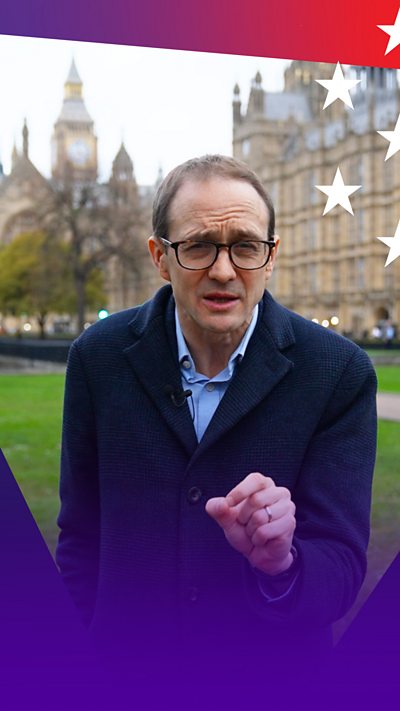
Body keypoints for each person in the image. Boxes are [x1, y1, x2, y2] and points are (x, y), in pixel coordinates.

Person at [56, 155, 377, 664]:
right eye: (199, 246)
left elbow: (340, 569)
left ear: (272, 256)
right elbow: (79, 539)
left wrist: (284, 564)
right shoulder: (98, 358)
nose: (224, 271)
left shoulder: (338, 372)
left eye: (246, 247)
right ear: (160, 257)